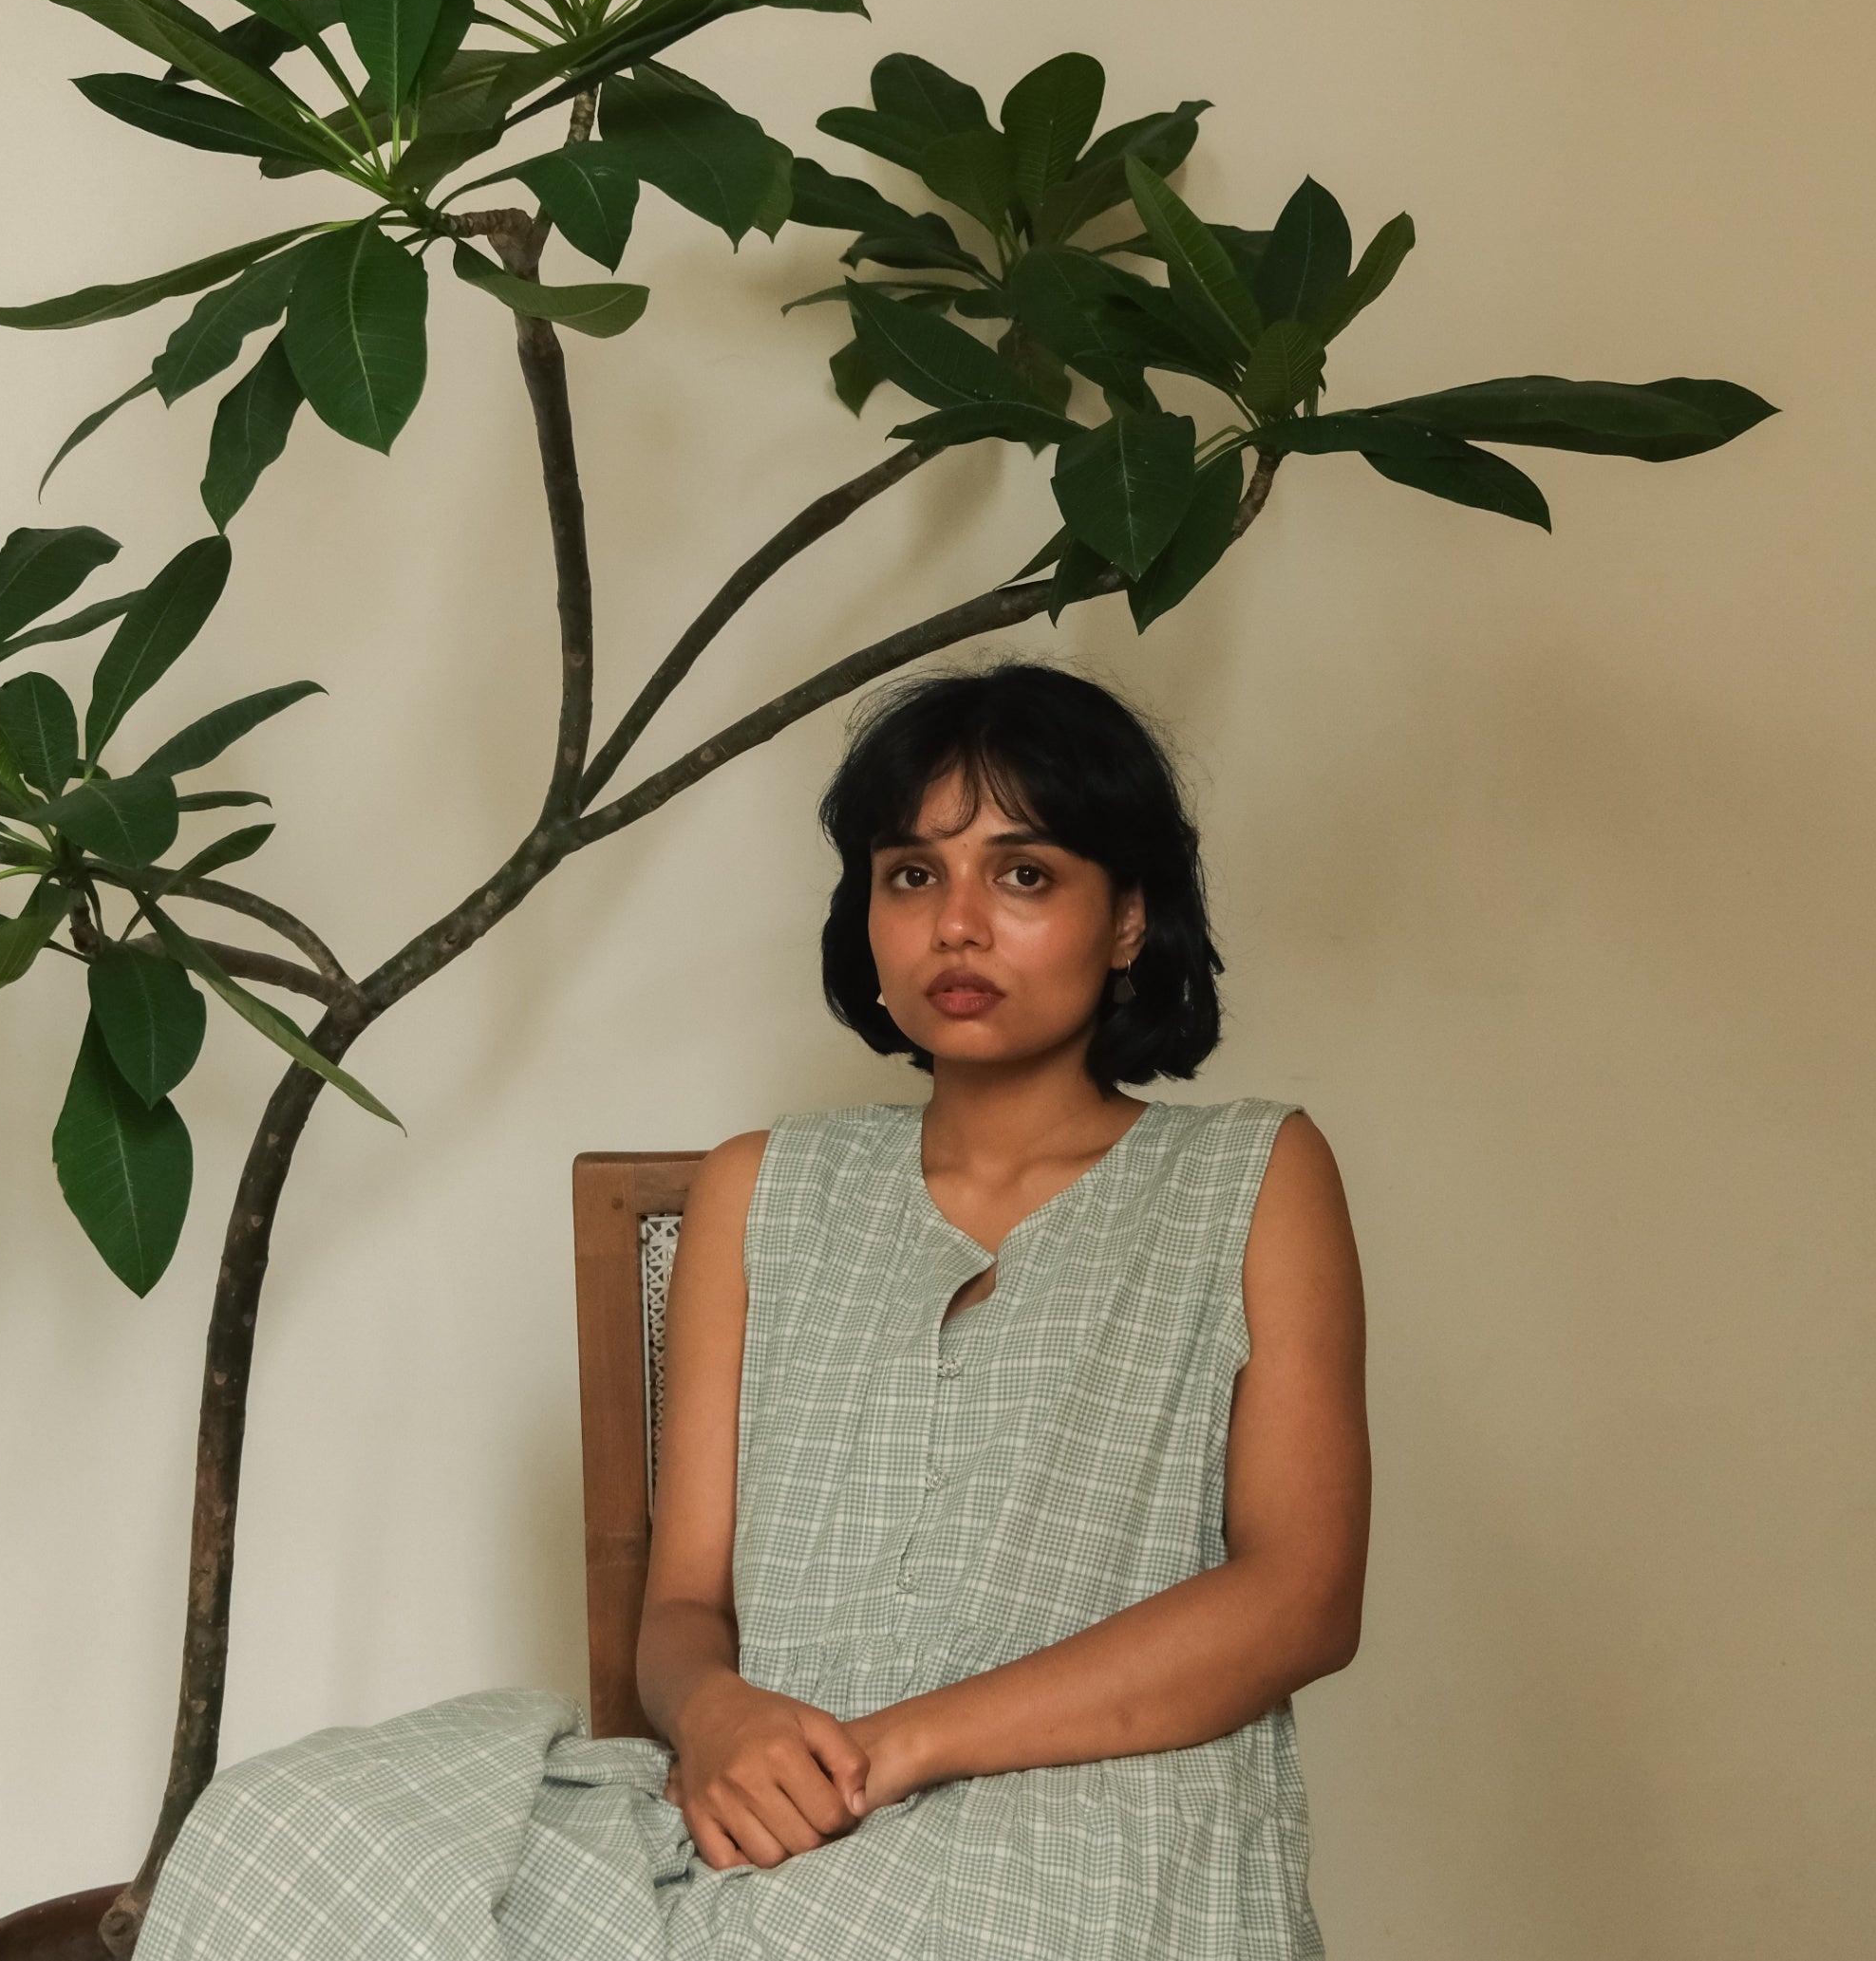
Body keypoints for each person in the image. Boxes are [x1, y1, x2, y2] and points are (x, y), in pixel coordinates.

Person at [137, 662, 1369, 1959]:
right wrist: (719, 1716)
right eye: (912, 872)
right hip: (761, 1791)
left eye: (1022, 873)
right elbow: (684, 1601)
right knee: (288, 1832)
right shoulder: (762, 1187)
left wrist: (901, 1744)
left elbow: (1300, 1595)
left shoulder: (1253, 1174)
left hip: (1101, 1813)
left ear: (1127, 916)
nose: (957, 924)